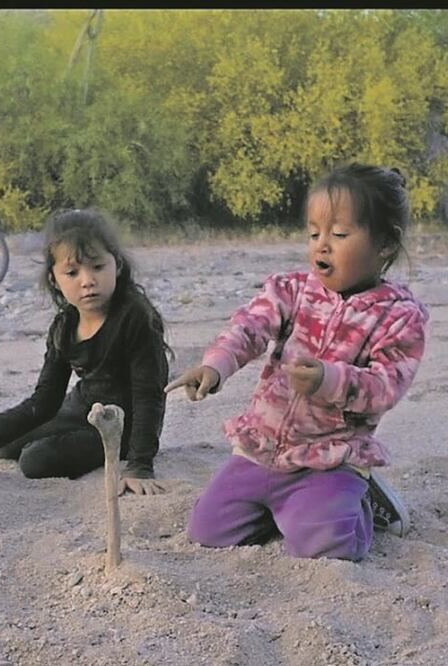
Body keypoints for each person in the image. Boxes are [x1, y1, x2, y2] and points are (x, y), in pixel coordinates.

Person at [166, 163, 427, 560]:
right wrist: (216, 365)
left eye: (339, 234)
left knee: (326, 546)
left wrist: (329, 379)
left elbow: (385, 387)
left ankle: (363, 503)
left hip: (328, 460)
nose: (322, 245)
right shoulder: (292, 290)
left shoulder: (399, 316)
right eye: (314, 233)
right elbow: (249, 327)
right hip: (262, 449)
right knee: (208, 531)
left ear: (385, 245)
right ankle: (288, 511)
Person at [0, 209, 171, 494]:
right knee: (1, 443)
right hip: (81, 408)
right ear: (55, 279)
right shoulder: (65, 325)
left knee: (35, 460)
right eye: (72, 272)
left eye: (97, 267)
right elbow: (45, 400)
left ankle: (114, 450)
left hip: (121, 425)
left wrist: (140, 464)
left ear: (117, 265)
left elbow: (149, 396)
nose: (87, 280)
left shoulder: (136, 317)